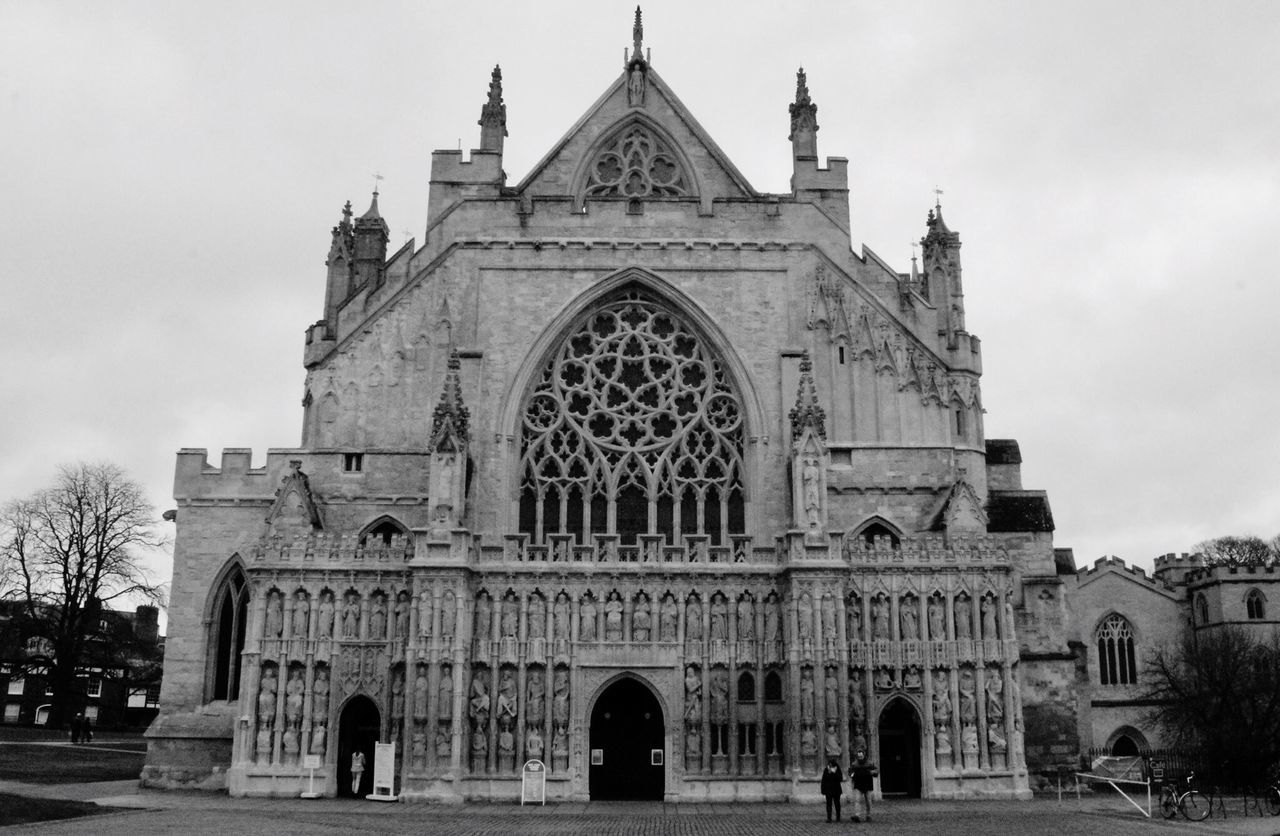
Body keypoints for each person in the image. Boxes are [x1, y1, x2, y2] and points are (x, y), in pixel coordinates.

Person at [849, 748, 878, 822]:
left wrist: (871, 772)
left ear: (864, 755)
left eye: (861, 756)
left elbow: (876, 770)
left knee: (868, 801)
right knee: (857, 800)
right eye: (859, 757)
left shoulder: (869, 763)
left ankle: (868, 815)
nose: (860, 758)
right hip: (858, 784)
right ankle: (857, 815)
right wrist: (853, 775)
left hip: (867, 784)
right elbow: (850, 772)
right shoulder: (854, 764)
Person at [820, 757, 845, 822]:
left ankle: (838, 817)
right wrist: (823, 789)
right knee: (828, 804)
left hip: (836, 789)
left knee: (837, 804)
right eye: (829, 764)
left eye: (831, 764)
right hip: (828, 789)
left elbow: (840, 778)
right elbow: (823, 780)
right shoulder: (826, 769)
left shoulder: (837, 769)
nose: (830, 765)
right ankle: (829, 817)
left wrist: (833, 772)